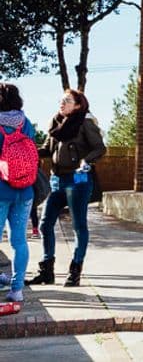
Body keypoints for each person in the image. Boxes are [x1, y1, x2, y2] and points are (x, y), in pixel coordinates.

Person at [27, 89, 106, 288]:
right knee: (45, 224)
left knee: (78, 226)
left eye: (67, 101)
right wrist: (25, 151)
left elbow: (100, 148)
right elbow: (47, 149)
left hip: (78, 180)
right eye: (61, 100)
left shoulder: (85, 122)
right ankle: (47, 271)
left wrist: (86, 160)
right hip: (57, 180)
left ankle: (75, 271)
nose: (62, 103)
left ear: (78, 105)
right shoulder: (56, 124)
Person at [0, 83, 37, 315]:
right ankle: (17, 289)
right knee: (19, 241)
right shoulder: (26, 123)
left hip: (1, 190)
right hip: (25, 190)